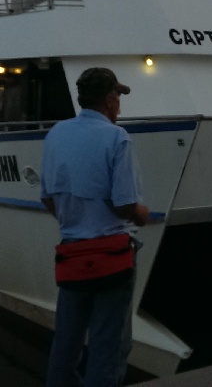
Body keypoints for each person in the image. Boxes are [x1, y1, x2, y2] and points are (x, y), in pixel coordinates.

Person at [40, 67, 150, 387]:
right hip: (112, 257)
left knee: (67, 341)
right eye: (118, 97)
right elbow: (124, 204)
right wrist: (143, 214)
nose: (120, 105)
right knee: (108, 345)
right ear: (109, 99)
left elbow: (47, 197)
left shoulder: (57, 133)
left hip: (72, 254)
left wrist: (71, 222)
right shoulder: (117, 137)